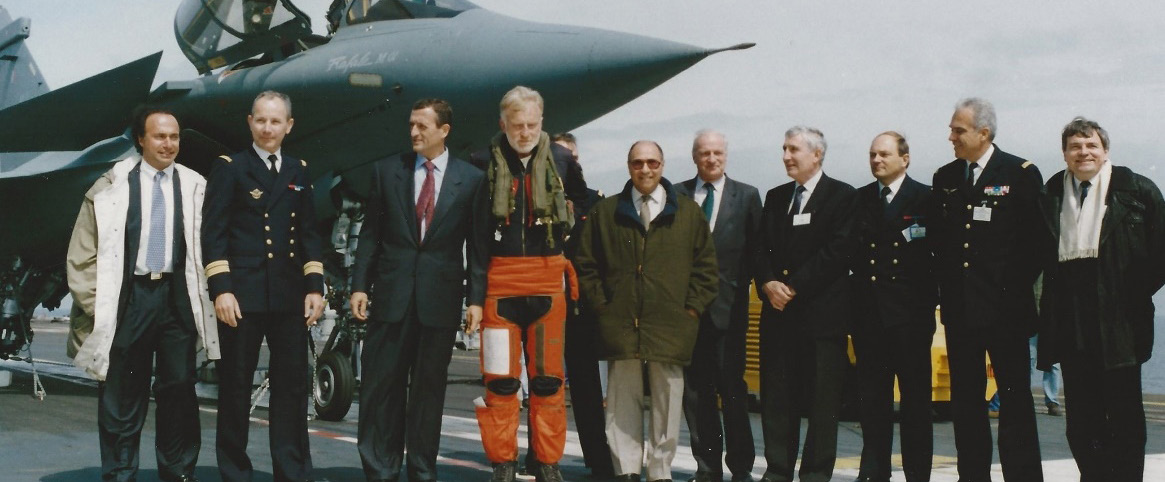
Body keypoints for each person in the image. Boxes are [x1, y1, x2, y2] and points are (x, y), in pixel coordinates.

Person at [67, 107, 218, 482]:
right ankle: (120, 473)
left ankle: (178, 471)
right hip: (130, 300)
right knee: (122, 392)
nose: (168, 144)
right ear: (141, 139)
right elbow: (80, 255)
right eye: (159, 136)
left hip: (176, 300)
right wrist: (98, 307)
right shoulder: (109, 187)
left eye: (174, 137)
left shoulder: (196, 185)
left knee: (180, 389)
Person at [349, 98, 488, 482]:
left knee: (428, 394)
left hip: (439, 302)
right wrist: (360, 285)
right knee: (382, 389)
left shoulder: (472, 180)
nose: (414, 132)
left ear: (444, 131)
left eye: (422, 126)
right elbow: (370, 236)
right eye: (411, 125)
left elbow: (478, 247)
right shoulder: (386, 171)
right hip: (391, 298)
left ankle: (422, 470)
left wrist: (476, 299)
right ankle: (380, 469)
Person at [574, 140, 718, 482]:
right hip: (620, 324)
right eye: (638, 163)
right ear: (629, 167)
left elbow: (706, 269)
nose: (645, 169)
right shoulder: (605, 213)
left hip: (670, 327)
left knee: (668, 403)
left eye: (652, 162)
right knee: (622, 400)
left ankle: (659, 471)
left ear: (663, 165)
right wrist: (602, 307)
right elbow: (586, 264)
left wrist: (691, 312)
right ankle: (626, 470)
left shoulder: (687, 213)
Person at [202, 91, 326, 482]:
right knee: (236, 388)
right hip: (242, 297)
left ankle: (291, 470)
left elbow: (309, 234)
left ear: (289, 126)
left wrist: (314, 287)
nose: (268, 128)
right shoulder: (230, 168)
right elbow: (214, 233)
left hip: (289, 297)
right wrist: (221, 288)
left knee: (291, 389)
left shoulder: (298, 170)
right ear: (250, 122)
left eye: (276, 121)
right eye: (261, 120)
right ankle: (235, 472)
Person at [1035, 117, 1165, 481]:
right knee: (1081, 423)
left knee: (1124, 420)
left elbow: (1161, 252)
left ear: (1105, 150)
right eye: (1075, 147)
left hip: (1122, 322)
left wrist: (1133, 295)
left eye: (1091, 145)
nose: (1083, 152)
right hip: (1070, 322)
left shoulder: (1137, 190)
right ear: (1064, 154)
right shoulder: (1050, 195)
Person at [468, 86, 585, 482]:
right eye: (517, 125)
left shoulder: (563, 160)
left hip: (547, 284)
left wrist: (568, 230)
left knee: (548, 381)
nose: (525, 132)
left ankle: (547, 462)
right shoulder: (480, 162)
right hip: (499, 287)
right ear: (503, 124)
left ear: (542, 123)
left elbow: (584, 204)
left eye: (532, 125)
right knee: (500, 382)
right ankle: (503, 462)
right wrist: (473, 295)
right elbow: (475, 234)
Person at [930, 97, 1043, 481]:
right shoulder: (945, 177)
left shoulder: (1020, 173)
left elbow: (1035, 246)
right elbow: (943, 245)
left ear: (984, 132)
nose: (951, 137)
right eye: (952, 129)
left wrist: (1007, 294)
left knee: (1014, 401)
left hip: (1005, 311)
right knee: (965, 402)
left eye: (958, 130)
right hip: (961, 311)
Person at [754, 126, 858, 482]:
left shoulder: (842, 196)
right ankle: (778, 471)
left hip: (820, 318)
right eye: (784, 148)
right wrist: (767, 283)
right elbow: (760, 249)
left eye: (793, 149)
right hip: (779, 317)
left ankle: (815, 474)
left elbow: (836, 251)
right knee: (777, 401)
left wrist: (792, 286)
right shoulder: (776, 196)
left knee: (821, 404)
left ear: (817, 155)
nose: (786, 156)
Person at [674, 129, 761, 482]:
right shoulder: (676, 195)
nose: (711, 159)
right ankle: (707, 467)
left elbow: (757, 251)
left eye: (717, 153)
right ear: (695, 157)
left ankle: (740, 466)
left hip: (729, 310)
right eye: (704, 153)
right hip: (688, 312)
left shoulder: (748, 196)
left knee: (732, 389)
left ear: (726, 156)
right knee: (695, 393)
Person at [848, 132, 935, 482]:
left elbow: (936, 258)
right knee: (873, 404)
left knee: (915, 404)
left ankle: (917, 475)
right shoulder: (860, 199)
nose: (876, 160)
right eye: (872, 154)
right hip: (869, 318)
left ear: (905, 158)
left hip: (910, 319)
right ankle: (873, 474)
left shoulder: (926, 199)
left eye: (884, 154)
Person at [554, 132, 616, 479]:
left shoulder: (595, 203)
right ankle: (540, 454)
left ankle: (597, 457)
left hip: (580, 307)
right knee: (542, 384)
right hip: (543, 301)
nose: (566, 163)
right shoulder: (535, 198)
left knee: (586, 386)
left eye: (571, 157)